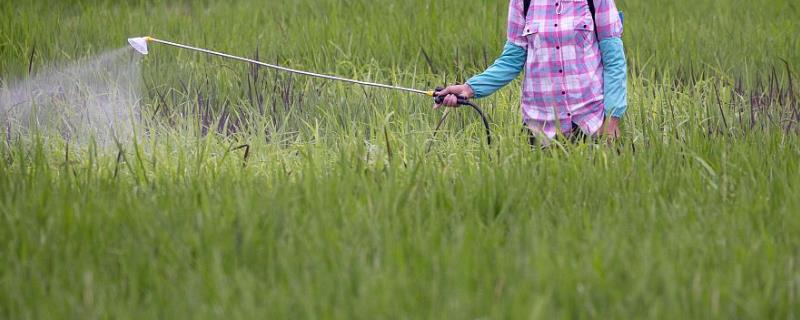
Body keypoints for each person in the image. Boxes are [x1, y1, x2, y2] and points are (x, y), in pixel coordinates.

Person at [435, 0, 627, 144]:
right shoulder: (523, 2)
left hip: (591, 127)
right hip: (539, 133)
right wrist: (469, 88)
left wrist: (611, 122)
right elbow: (511, 60)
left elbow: (614, 62)